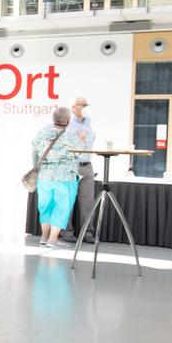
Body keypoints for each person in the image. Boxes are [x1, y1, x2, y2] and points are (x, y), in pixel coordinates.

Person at [32, 106, 82, 249]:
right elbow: (82, 155)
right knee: (61, 208)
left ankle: (44, 237)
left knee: (45, 207)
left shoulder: (42, 133)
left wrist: (37, 169)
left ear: (54, 118)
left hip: (44, 177)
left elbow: (35, 154)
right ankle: (53, 240)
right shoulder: (72, 137)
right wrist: (83, 140)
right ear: (68, 120)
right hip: (65, 179)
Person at [61, 97, 96, 243]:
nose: (84, 108)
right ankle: (66, 232)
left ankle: (87, 233)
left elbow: (89, 143)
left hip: (86, 166)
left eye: (86, 105)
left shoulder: (89, 124)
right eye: (82, 106)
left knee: (87, 202)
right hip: (71, 166)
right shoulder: (67, 124)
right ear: (73, 107)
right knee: (68, 201)